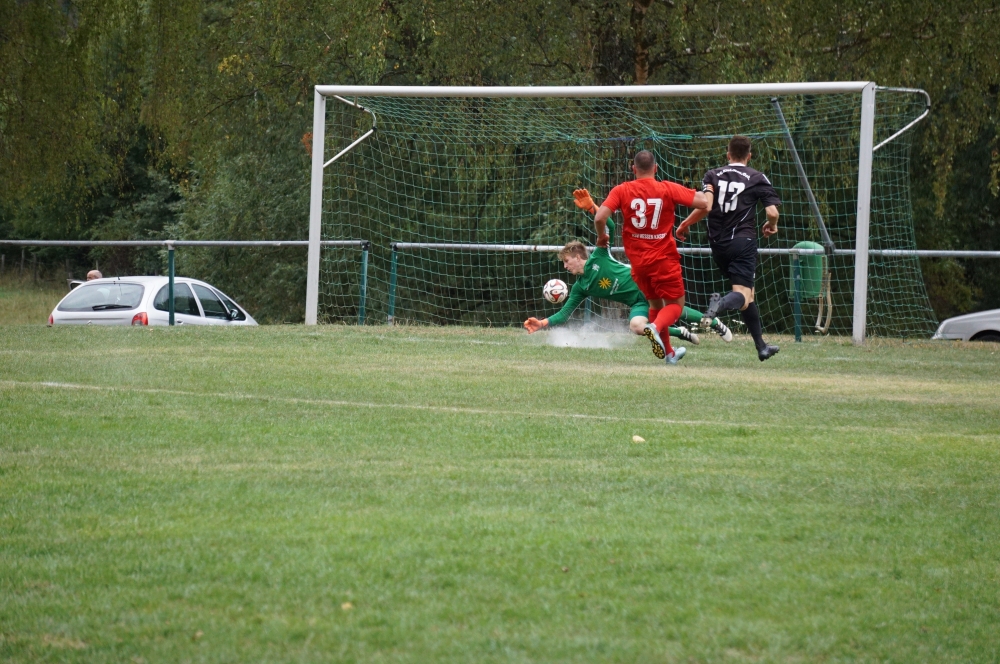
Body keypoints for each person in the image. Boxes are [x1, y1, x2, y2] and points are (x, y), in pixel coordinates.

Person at [591, 151, 712, 364]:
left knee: (655, 306)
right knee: (675, 306)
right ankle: (654, 327)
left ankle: (669, 354)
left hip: (638, 264)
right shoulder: (666, 188)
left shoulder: (622, 190)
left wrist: (602, 237)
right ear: (656, 168)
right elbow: (704, 204)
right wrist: (709, 190)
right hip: (663, 260)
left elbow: (600, 216)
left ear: (633, 169)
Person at [523, 224, 732, 346]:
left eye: (567, 261)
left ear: (578, 256)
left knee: (673, 310)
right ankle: (681, 333)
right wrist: (542, 323)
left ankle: (715, 324)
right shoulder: (580, 287)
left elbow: (611, 226)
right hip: (637, 302)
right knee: (636, 327)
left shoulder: (600, 255)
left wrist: (593, 208)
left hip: (647, 285)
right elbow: (564, 314)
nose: (565, 266)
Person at [675, 135, 781, 361]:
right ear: (749, 155)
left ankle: (761, 346)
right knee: (741, 294)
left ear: (728, 154)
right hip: (743, 242)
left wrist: (684, 224)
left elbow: (705, 207)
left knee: (747, 296)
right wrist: (771, 226)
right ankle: (719, 304)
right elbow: (772, 212)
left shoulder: (712, 175)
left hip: (717, 244)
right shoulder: (756, 177)